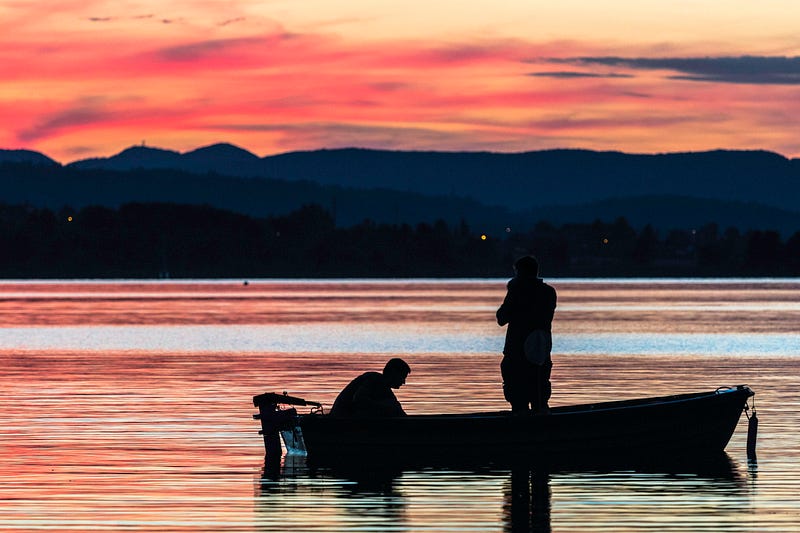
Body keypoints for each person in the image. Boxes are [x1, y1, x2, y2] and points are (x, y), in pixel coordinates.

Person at [496, 256, 557, 415]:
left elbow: (501, 318)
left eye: (516, 272)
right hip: (541, 352)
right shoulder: (549, 292)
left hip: (516, 353)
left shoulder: (517, 291)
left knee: (518, 401)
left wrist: (513, 288)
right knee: (540, 399)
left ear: (520, 273)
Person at [329, 358, 411, 417]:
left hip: (349, 419)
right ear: (393, 374)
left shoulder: (385, 389)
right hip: (341, 419)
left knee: (392, 405)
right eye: (402, 377)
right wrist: (385, 407)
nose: (404, 382)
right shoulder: (373, 379)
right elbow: (358, 399)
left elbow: (398, 410)